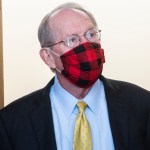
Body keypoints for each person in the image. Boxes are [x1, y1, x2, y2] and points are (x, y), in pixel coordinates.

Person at [0, 2, 150, 150]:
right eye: (72, 39)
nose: (86, 44)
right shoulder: (11, 122)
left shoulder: (143, 105)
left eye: (91, 34)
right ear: (48, 57)